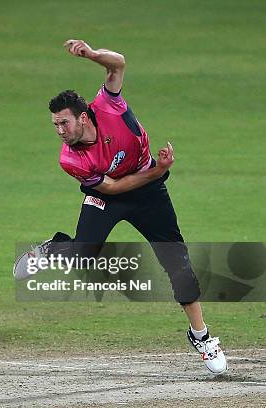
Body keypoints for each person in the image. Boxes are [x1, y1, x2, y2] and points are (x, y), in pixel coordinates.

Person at [44, 40, 225, 374]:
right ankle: (54, 247)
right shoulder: (70, 159)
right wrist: (158, 170)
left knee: (177, 262)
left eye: (64, 123)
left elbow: (119, 64)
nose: (59, 131)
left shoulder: (107, 106)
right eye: (54, 124)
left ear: (83, 118)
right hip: (112, 194)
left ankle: (201, 336)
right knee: (83, 256)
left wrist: (92, 55)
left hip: (149, 192)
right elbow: (112, 188)